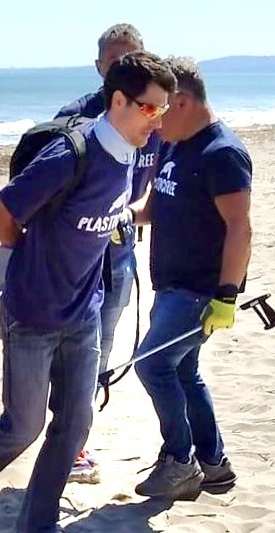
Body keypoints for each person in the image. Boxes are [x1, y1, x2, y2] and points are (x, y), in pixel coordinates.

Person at [0, 52, 175, 533]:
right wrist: (24, 254)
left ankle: (37, 528)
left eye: (164, 110)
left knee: (75, 423)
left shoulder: (130, 153)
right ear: (118, 101)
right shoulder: (72, 153)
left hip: (84, 312)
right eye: (151, 109)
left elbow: (105, 215)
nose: (158, 122)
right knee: (22, 427)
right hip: (32, 313)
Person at [130, 56, 252, 501]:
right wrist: (119, 217)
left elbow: (240, 228)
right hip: (169, 284)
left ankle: (180, 461)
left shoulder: (223, 154)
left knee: (151, 364)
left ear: (181, 101)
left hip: (199, 291)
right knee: (183, 371)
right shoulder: (174, 144)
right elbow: (153, 208)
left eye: (158, 108)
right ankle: (214, 464)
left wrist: (226, 296)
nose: (153, 120)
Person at [56, 23, 162, 484]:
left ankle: (76, 440)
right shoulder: (76, 118)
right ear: (98, 67)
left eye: (132, 60)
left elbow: (160, 184)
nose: (123, 69)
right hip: (76, 255)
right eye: (115, 62)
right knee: (72, 348)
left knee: (101, 347)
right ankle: (67, 444)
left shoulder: (154, 119)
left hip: (119, 252)